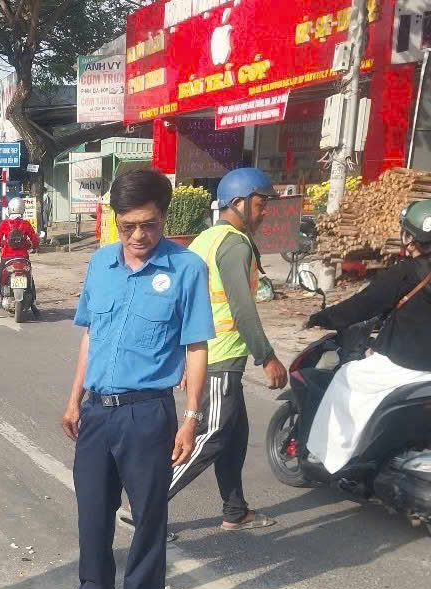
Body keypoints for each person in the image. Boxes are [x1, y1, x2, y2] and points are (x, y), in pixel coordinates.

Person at [49, 169, 215, 589]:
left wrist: (191, 417)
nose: (139, 236)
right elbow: (90, 335)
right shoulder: (101, 264)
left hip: (148, 414)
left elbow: (197, 347)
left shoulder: (185, 269)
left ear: (163, 218)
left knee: (148, 515)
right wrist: (74, 398)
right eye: (128, 227)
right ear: (115, 222)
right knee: (92, 507)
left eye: (150, 225)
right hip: (97, 412)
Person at [125, 168, 287, 535]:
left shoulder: (205, 239)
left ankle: (235, 510)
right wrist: (267, 356)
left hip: (204, 352)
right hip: (220, 356)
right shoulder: (234, 243)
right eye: (261, 205)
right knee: (210, 435)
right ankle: (144, 504)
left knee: (234, 436)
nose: (264, 213)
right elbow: (242, 306)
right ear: (238, 203)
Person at [304, 199, 431, 473]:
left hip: (405, 363)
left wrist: (321, 318)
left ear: (410, 236)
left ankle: (324, 454)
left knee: (346, 377)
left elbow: (362, 305)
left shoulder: (405, 273)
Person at [0, 196, 40, 317]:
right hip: (23, 257)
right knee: (30, 280)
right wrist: (34, 245)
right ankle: (34, 305)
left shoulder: (4, 224)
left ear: (9, 209)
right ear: (22, 209)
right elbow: (35, 240)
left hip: (7, 257)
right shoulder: (26, 224)